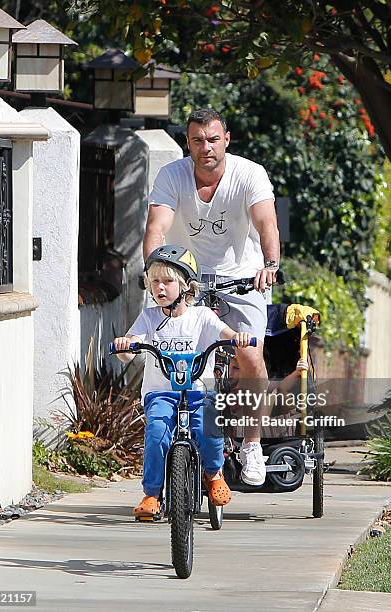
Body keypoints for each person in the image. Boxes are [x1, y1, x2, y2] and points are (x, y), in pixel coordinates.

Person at [143, 108, 280, 486]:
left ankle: (252, 444)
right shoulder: (172, 175)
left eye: (213, 139)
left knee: (250, 354)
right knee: (171, 355)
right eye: (198, 140)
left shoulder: (249, 174)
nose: (206, 148)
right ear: (188, 142)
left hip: (242, 278)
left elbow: (266, 220)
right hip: (187, 279)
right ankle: (173, 437)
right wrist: (155, 271)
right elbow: (157, 227)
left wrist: (270, 263)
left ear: (227, 139)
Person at [113, 245, 253, 518]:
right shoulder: (149, 318)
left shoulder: (201, 317)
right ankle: (152, 494)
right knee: (157, 433)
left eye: (167, 281)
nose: (160, 288)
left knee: (208, 430)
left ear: (186, 286)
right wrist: (125, 345)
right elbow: (129, 351)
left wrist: (238, 337)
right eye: (154, 281)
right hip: (161, 393)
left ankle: (213, 475)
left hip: (199, 391)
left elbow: (225, 332)